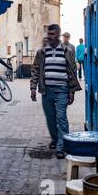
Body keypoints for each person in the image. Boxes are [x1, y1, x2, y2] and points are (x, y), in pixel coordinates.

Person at [31, 24, 81, 159]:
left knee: (61, 118)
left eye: (53, 34)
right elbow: (35, 69)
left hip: (62, 90)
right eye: (49, 34)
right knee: (50, 118)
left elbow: (72, 72)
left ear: (58, 35)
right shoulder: (42, 52)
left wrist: (72, 91)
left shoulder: (67, 51)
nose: (50, 36)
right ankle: (55, 139)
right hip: (46, 91)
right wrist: (33, 88)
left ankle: (62, 147)